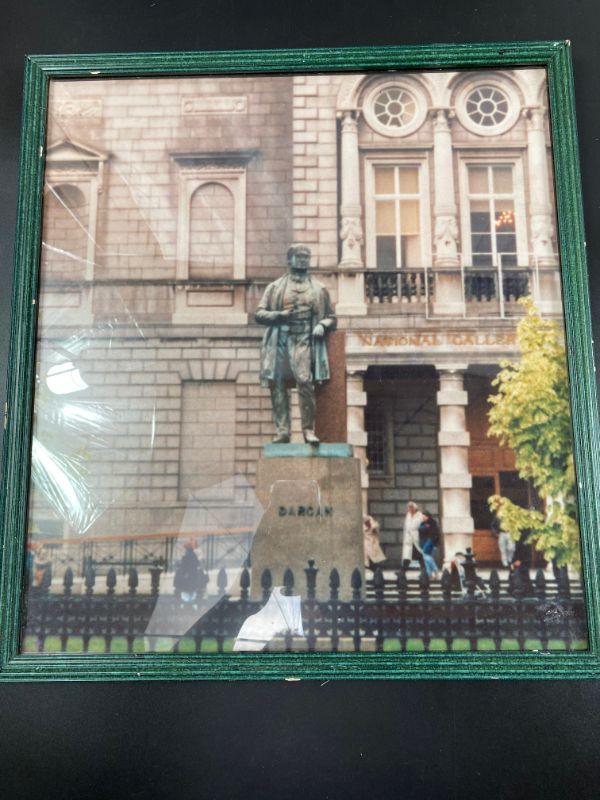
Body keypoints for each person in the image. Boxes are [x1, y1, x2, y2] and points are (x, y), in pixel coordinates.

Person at [255, 245, 336, 444]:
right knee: (278, 384)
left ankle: (308, 430)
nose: (303, 260)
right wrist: (278, 315)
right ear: (289, 260)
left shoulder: (319, 288)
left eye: (306, 257)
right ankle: (283, 431)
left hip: (304, 339)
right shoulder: (275, 287)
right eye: (299, 256)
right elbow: (259, 314)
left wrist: (322, 324)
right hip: (280, 339)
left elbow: (332, 317)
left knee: (305, 382)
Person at [402, 501, 425, 570]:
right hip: (408, 538)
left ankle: (424, 570)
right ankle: (402, 571)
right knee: (407, 555)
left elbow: (419, 525)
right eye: (409, 507)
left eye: (411, 507)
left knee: (418, 554)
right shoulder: (408, 515)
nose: (410, 509)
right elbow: (406, 526)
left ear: (415, 508)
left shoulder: (420, 515)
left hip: (415, 537)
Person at [418, 510, 440, 579]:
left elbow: (435, 534)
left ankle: (435, 570)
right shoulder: (423, 523)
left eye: (424, 516)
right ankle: (429, 574)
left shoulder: (432, 522)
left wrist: (435, 544)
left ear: (427, 516)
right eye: (422, 516)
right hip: (424, 542)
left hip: (430, 542)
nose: (423, 518)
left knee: (426, 557)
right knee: (427, 559)